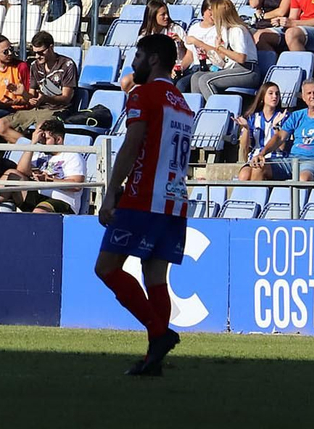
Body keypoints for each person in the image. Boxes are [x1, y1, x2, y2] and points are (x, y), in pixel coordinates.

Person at [94, 33, 193, 377]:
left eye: (138, 54)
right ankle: (154, 359)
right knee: (155, 276)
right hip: (174, 199)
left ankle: (160, 333)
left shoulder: (143, 94)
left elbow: (133, 143)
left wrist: (110, 192)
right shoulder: (181, 101)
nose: (133, 62)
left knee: (106, 268)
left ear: (152, 59)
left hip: (144, 197)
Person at [0, 33, 79, 143]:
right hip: (37, 109)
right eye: (35, 53)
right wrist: (23, 93)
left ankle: (32, 151)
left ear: (51, 47)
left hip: (58, 110)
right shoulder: (35, 66)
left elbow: (66, 98)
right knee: (0, 125)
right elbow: (32, 97)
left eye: (41, 52)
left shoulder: (67, 65)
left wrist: (46, 98)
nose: (37, 56)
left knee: (40, 129)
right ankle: (31, 150)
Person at [180, 0, 259, 98]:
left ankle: (216, 109)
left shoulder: (237, 30)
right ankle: (199, 111)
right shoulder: (226, 30)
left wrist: (220, 49)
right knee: (196, 77)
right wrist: (209, 55)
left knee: (205, 80)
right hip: (230, 68)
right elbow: (223, 60)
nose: (213, 15)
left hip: (247, 70)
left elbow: (241, 58)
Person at [4, 119, 86, 214]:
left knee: (40, 210)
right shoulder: (40, 153)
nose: (42, 142)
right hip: (38, 196)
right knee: (12, 175)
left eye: (46, 139)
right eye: (41, 138)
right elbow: (21, 170)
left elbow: (76, 185)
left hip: (61, 201)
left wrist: (49, 180)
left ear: (58, 139)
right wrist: (33, 143)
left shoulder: (72, 155)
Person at [234, 82, 290, 183]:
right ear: (262, 97)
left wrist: (275, 127)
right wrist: (246, 128)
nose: (274, 96)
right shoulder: (252, 117)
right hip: (255, 158)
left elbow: (282, 148)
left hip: (275, 158)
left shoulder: (284, 117)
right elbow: (244, 147)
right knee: (243, 175)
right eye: (271, 93)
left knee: (258, 170)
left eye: (277, 94)